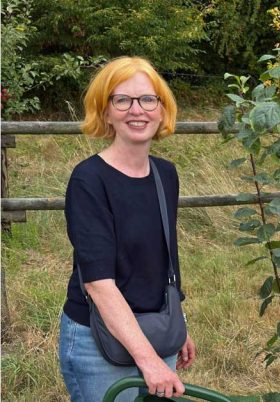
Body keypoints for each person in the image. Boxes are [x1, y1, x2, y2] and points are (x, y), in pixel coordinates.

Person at [59, 56, 196, 402]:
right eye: (123, 100)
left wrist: (176, 324)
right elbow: (98, 284)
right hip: (100, 342)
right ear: (105, 112)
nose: (138, 110)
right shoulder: (89, 180)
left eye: (148, 99)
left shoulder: (166, 174)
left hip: (155, 331)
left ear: (162, 110)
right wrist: (147, 359)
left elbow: (165, 259)